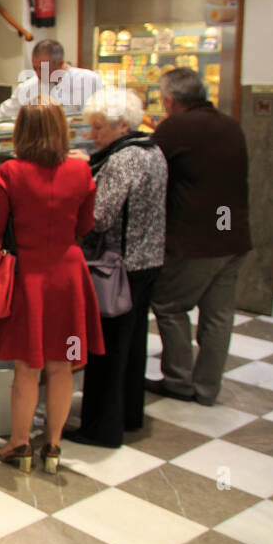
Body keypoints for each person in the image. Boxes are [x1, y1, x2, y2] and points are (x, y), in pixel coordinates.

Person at [0, 100, 105, 473]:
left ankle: (19, 444)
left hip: (27, 279)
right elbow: (86, 226)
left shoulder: (11, 172)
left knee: (26, 367)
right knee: (62, 366)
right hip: (68, 279)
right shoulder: (81, 170)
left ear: (22, 131)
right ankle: (53, 446)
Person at [66, 88, 166, 448]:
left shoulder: (124, 160)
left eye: (99, 128)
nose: (93, 134)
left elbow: (101, 216)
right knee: (133, 344)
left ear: (122, 125)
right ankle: (128, 415)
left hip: (119, 264)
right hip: (148, 258)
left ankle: (100, 427)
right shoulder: (152, 151)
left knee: (106, 350)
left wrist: (82, 178)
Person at [146, 67, 252, 406]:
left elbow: (148, 166)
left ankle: (178, 380)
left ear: (170, 100)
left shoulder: (176, 127)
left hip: (196, 238)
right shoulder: (230, 124)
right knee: (218, 315)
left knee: (169, 305)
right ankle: (207, 388)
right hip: (232, 234)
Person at [0, 39, 102, 120]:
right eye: (35, 68)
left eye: (43, 68)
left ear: (60, 63)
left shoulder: (89, 80)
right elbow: (2, 114)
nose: (38, 74)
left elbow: (99, 118)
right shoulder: (28, 87)